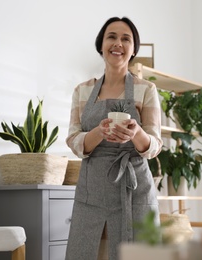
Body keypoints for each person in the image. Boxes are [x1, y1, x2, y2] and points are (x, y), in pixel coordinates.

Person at [65, 16, 163, 260]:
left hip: (134, 187)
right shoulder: (83, 91)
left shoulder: (146, 90)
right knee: (88, 252)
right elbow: (74, 140)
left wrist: (136, 133)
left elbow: (154, 145)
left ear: (133, 50)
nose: (118, 43)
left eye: (125, 39)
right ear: (101, 45)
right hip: (92, 190)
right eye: (111, 37)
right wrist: (99, 132)